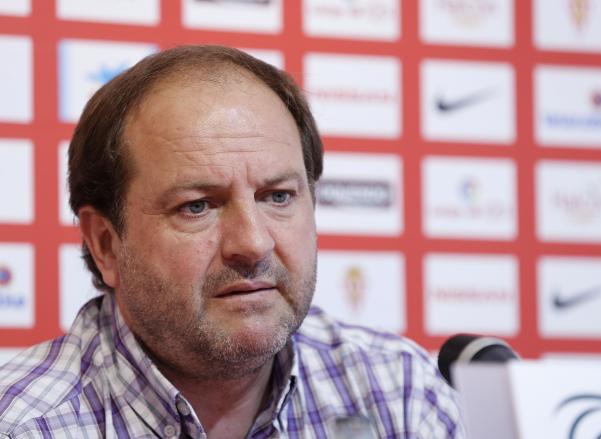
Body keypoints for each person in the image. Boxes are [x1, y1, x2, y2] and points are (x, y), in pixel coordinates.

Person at [0, 45, 463, 438]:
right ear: (105, 243)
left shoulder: (396, 391)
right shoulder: (27, 426)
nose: (254, 242)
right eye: (197, 206)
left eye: (278, 196)